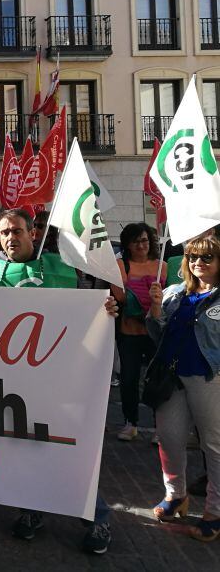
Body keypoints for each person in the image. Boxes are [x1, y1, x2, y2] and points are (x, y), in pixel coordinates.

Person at [0, 207, 117, 554]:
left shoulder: (62, 268)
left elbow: (93, 308)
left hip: (63, 379)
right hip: (13, 382)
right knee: (23, 449)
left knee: (70, 451)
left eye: (17, 231)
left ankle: (96, 517)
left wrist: (107, 308)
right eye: (5, 232)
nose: (11, 237)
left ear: (32, 233)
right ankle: (32, 512)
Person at [146, 232, 220, 542]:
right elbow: (155, 333)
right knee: (169, 438)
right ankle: (176, 494)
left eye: (206, 257)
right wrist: (154, 309)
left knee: (213, 444)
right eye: (192, 257)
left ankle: (215, 510)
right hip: (170, 377)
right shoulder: (175, 292)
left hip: (208, 378)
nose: (198, 262)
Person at [110, 223, 162, 441]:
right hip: (128, 332)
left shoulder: (163, 266)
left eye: (145, 240)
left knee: (157, 379)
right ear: (128, 244)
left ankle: (161, 426)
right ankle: (130, 422)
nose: (141, 245)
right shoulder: (120, 265)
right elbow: (120, 297)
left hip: (155, 333)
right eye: (136, 241)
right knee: (129, 378)